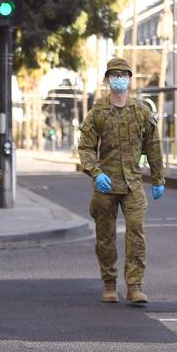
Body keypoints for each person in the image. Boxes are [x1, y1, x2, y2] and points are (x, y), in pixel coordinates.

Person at [78, 57, 164, 304]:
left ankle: (135, 286)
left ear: (130, 79)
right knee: (105, 237)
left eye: (123, 75)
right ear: (107, 80)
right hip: (105, 185)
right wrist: (96, 172)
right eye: (114, 75)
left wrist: (158, 178)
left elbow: (153, 146)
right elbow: (85, 148)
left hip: (133, 184)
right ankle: (109, 283)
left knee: (136, 234)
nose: (119, 79)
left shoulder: (141, 111)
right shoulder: (98, 113)